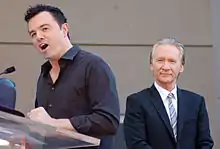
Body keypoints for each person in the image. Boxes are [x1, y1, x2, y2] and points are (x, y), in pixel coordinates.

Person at [24, 4, 120, 149]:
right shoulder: (44, 76)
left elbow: (108, 121)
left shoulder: (93, 66)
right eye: (33, 34)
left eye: (44, 29)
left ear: (64, 29)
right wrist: (30, 135)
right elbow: (45, 128)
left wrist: (53, 124)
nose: (39, 37)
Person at [123, 37, 214, 149]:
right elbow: (136, 143)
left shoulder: (196, 102)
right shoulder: (137, 102)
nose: (166, 67)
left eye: (172, 61)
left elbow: (205, 143)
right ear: (151, 65)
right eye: (160, 60)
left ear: (181, 67)